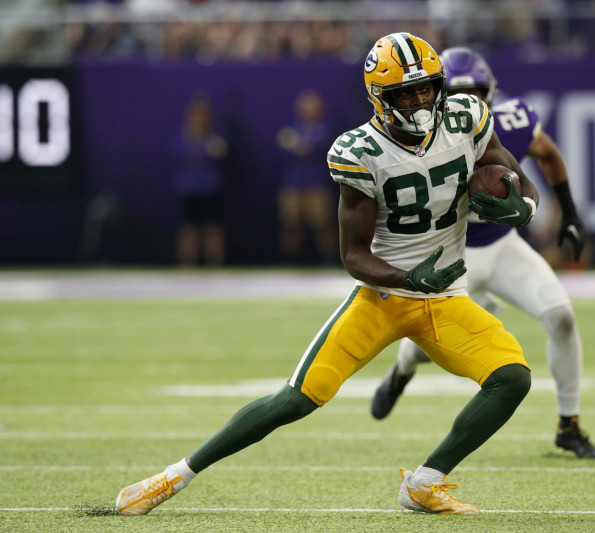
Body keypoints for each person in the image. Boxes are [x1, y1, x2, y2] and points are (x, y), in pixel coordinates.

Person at [114, 32, 540, 516]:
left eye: (427, 87)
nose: (421, 99)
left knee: (512, 378)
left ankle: (425, 483)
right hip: (382, 296)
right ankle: (172, 478)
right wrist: (406, 279)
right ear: (380, 97)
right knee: (295, 400)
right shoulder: (361, 150)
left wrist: (523, 205)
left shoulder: (466, 115)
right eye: (406, 91)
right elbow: (353, 254)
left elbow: (503, 166)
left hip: (443, 298)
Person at [370, 47, 595, 459]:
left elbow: (547, 153)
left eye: (478, 91)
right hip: (451, 253)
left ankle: (569, 424)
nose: (472, 100)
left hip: (500, 245)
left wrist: (568, 212)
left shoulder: (504, 119)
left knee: (561, 316)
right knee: (426, 342)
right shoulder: (415, 133)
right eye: (463, 91)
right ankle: (401, 371)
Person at [275, 88, 338, 264]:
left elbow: (315, 148)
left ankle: (329, 260)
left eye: (313, 106)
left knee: (323, 224)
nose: (309, 110)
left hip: (317, 184)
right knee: (291, 225)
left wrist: (300, 146)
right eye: (305, 107)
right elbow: (282, 147)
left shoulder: (326, 128)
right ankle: (290, 260)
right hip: (292, 184)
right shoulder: (292, 128)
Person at [170, 92, 228, 266]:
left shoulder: (218, 133)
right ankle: (187, 262)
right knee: (188, 226)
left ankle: (215, 262)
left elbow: (219, 152)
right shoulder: (180, 134)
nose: (200, 116)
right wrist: (201, 148)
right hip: (187, 187)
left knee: (212, 225)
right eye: (196, 112)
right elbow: (178, 153)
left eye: (203, 112)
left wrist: (201, 147)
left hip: (210, 187)